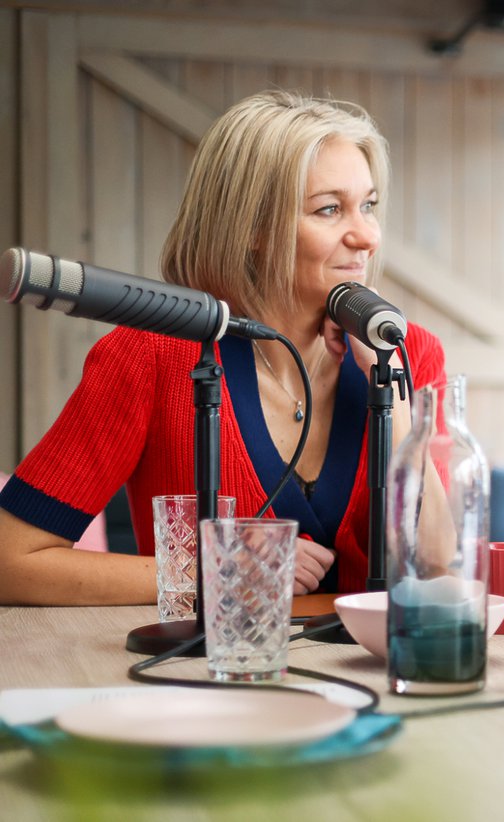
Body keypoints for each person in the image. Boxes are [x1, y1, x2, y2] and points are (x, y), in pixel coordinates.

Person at [0, 90, 445, 605]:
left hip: (379, 681)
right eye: (329, 209)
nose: (367, 235)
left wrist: (396, 403)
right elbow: (12, 560)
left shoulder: (409, 352)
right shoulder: (149, 356)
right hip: (205, 679)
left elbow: (440, 569)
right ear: (251, 227)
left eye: (368, 205)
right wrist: (222, 568)